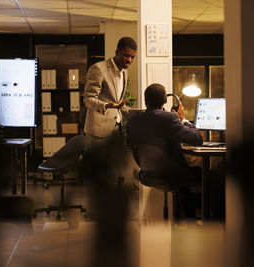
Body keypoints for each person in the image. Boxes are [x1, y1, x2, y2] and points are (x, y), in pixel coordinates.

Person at [127, 83, 203, 219]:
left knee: (182, 183)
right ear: (166, 100)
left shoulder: (133, 120)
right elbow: (197, 139)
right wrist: (183, 119)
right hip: (171, 176)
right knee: (211, 177)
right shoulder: (170, 118)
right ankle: (206, 220)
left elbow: (133, 148)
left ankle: (184, 222)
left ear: (145, 101)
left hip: (146, 174)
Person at [83, 36, 137, 149]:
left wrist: (138, 114)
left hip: (117, 129)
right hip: (98, 131)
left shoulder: (124, 73)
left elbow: (118, 103)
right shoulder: (98, 69)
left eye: (132, 57)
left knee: (113, 166)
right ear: (117, 52)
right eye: (126, 55)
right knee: (97, 166)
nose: (129, 60)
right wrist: (106, 105)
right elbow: (88, 99)